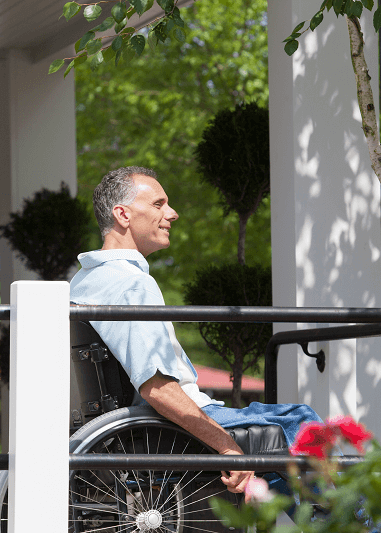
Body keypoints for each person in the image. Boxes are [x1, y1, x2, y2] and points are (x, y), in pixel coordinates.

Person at [69, 166, 323, 497]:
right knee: (298, 422)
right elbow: (157, 389)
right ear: (123, 215)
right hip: (161, 425)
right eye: (159, 204)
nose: (172, 214)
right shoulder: (132, 284)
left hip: (119, 427)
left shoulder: (82, 282)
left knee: (276, 429)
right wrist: (228, 447)